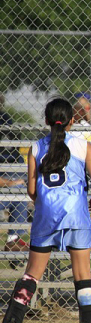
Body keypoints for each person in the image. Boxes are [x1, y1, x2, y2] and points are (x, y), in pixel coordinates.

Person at [0, 98, 91, 323]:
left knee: (31, 274)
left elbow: (32, 190)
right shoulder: (84, 146)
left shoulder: (36, 147)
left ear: (47, 121)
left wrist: (46, 204)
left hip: (46, 215)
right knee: (83, 275)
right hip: (76, 215)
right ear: (72, 120)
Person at [0, 94, 30, 255]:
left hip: (6, 187)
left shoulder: (5, 119)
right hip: (5, 186)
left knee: (19, 198)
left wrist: (16, 183)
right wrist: (9, 183)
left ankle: (14, 242)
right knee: (18, 193)